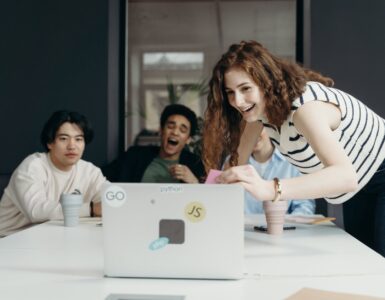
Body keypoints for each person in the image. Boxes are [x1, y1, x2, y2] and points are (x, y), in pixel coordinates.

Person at [202, 40, 385, 256]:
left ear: (266, 83)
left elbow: (345, 176)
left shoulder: (305, 109)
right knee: (366, 262)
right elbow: (236, 163)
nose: (238, 101)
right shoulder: (256, 116)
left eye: (245, 89)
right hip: (359, 186)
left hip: (378, 173)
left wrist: (270, 189)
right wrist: (207, 209)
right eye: (230, 92)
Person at [0, 110, 106, 237]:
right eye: (63, 139)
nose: (72, 146)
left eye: (78, 139)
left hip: (51, 238)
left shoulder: (89, 171)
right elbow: (36, 212)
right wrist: (91, 209)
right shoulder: (32, 166)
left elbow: (111, 198)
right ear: (50, 143)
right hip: (10, 240)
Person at [103, 104, 206, 183]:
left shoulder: (195, 164)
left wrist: (193, 181)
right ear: (161, 131)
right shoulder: (135, 156)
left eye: (182, 130)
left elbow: (207, 201)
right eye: (170, 126)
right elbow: (101, 178)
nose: (175, 132)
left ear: (188, 139)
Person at [241, 128, 315, 215]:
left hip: (283, 227)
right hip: (241, 228)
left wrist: (286, 225)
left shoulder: (293, 161)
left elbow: (305, 206)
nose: (252, 135)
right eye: (244, 130)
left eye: (256, 129)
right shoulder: (233, 163)